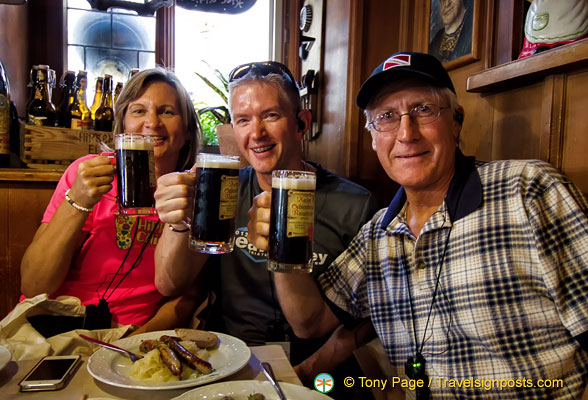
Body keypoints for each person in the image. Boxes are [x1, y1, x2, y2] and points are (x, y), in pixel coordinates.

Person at [247, 51, 588, 399]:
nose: (406, 133)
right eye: (387, 117)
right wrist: (281, 251)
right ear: (373, 137)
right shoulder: (377, 233)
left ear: (456, 121)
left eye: (423, 110)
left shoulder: (528, 190)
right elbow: (310, 323)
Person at [153, 61, 379, 397]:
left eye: (271, 116)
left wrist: (304, 372)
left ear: (302, 123)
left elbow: (364, 322)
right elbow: (170, 283)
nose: (256, 133)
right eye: (243, 120)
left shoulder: (355, 205)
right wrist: (179, 220)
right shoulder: (222, 189)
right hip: (230, 361)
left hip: (320, 369)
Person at [20, 67, 203, 336]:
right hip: (52, 323)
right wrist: (78, 201)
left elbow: (186, 296)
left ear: (187, 130)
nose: (152, 122)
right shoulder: (87, 174)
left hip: (126, 334)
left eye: (167, 111)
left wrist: (136, 341)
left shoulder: (192, 192)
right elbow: (34, 285)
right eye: (139, 111)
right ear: (122, 127)